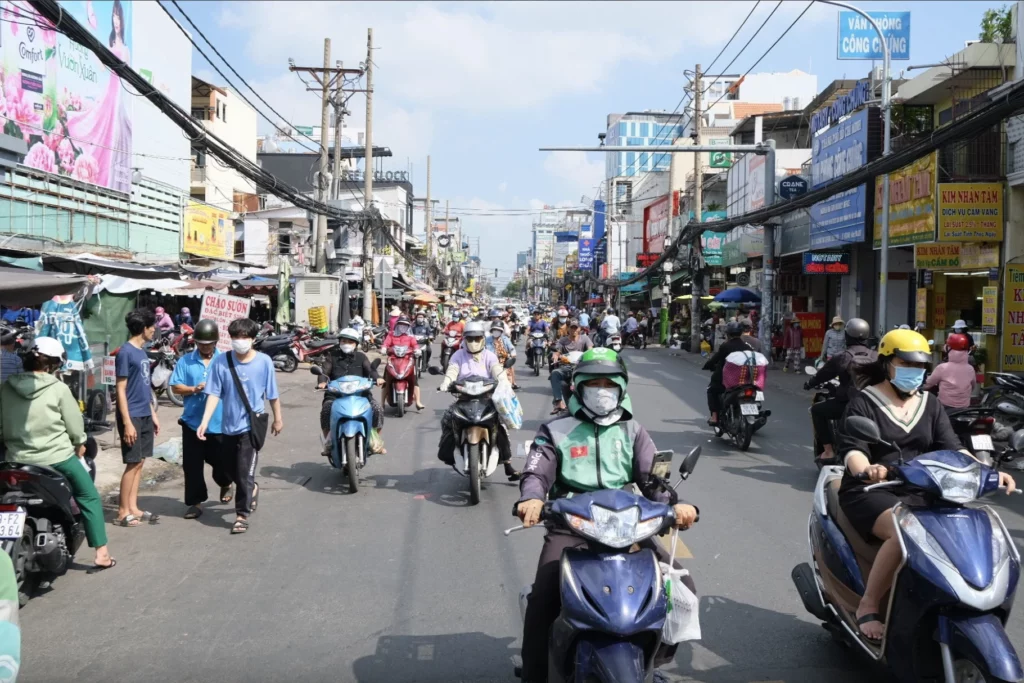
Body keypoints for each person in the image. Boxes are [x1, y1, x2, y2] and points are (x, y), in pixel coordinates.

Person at [516, 348, 699, 683]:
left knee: (679, 584)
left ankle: (652, 657)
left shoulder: (633, 431)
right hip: (572, 522)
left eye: (609, 383)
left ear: (621, 388)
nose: (602, 391)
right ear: (578, 387)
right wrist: (532, 499)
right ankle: (534, 674)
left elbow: (653, 480)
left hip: (626, 521)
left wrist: (677, 504)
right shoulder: (556, 429)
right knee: (544, 595)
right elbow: (536, 472)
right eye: (593, 383)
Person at [836, 329, 1016, 641]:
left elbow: (952, 447)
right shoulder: (864, 403)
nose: (915, 372)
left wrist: (985, 471)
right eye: (906, 364)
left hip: (921, 488)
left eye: (920, 367)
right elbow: (854, 450)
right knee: (903, 528)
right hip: (872, 491)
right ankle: (869, 604)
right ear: (887, 363)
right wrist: (867, 470)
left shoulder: (930, 404)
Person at [0, 337, 116, 571]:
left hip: (14, 459)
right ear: (54, 365)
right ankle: (102, 553)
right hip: (57, 459)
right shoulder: (59, 389)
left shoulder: (6, 387)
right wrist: (80, 442)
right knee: (89, 496)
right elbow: (75, 429)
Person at [197, 318, 283, 535]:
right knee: (228, 468)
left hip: (250, 427)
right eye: (235, 337)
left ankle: (241, 515)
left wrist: (278, 418)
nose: (239, 341)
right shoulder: (221, 362)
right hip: (228, 427)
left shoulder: (264, 362)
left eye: (244, 337)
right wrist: (205, 421)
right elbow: (214, 393)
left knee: (244, 471)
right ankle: (252, 488)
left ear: (253, 339)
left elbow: (272, 394)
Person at [169, 319, 234, 520]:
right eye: (201, 343)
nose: (205, 347)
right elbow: (175, 387)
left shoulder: (225, 360)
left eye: (209, 343)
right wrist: (194, 388)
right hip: (192, 422)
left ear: (216, 342)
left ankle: (225, 483)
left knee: (222, 464)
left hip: (219, 424)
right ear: (195, 342)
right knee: (192, 465)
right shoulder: (185, 361)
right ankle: (195, 503)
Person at [436, 321, 518, 480]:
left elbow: (497, 371)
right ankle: (448, 453)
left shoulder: (489, 355)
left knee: (501, 424)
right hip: (463, 398)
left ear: (482, 338)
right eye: (470, 338)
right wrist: (446, 383)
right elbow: (452, 371)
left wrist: (504, 382)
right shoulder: (458, 355)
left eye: (477, 338)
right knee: (447, 420)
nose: (473, 342)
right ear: (465, 339)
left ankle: (508, 462)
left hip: (486, 398)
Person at [804, 318, 875, 464]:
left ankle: (829, 451)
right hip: (874, 406)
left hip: (848, 405)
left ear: (847, 336)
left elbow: (822, 375)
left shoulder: (843, 356)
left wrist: (809, 383)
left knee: (816, 411)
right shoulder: (877, 356)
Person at [114, 308, 161, 527]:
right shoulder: (125, 352)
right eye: (152, 327)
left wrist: (153, 414)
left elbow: (143, 387)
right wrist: (126, 422)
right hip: (131, 415)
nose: (154, 331)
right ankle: (123, 512)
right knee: (132, 462)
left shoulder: (142, 352)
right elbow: (121, 389)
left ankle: (134, 507)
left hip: (144, 412)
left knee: (140, 462)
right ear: (144, 328)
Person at [318, 327, 385, 454]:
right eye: (343, 341)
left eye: (350, 342)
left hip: (361, 394)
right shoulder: (332, 356)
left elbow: (370, 370)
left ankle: (375, 440)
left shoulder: (361, 357)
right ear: (339, 342)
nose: (346, 344)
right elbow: (324, 372)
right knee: (326, 409)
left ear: (356, 344)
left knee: (377, 409)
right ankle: (328, 441)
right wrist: (322, 382)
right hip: (336, 395)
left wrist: (378, 378)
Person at [702, 321, 751, 426]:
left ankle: (714, 417)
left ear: (728, 334)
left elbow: (715, 359)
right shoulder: (747, 347)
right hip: (744, 379)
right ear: (740, 333)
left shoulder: (726, 346)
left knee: (711, 390)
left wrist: (707, 365)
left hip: (726, 379)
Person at [549, 319, 594, 414]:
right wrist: (556, 355)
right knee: (555, 373)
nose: (573, 330)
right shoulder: (563, 340)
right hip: (566, 367)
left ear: (579, 329)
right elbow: (557, 351)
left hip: (581, 367)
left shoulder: (585, 339)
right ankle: (558, 402)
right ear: (568, 329)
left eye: (575, 328)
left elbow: (590, 350)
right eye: (571, 328)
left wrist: (589, 355)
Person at [381, 316, 425, 411]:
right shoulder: (391, 335)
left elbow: (415, 345)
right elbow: (386, 343)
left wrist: (417, 350)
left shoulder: (410, 337)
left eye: (405, 325)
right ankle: (382, 403)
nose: (402, 327)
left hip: (407, 360)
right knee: (385, 380)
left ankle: (418, 401)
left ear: (408, 326)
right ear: (397, 325)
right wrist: (384, 348)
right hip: (393, 359)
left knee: (414, 380)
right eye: (401, 324)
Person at [923, 332, 976, 411]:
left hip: (945, 407)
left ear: (949, 348)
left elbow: (927, 385)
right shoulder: (970, 369)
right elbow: (973, 386)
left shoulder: (942, 368)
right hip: (965, 407)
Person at [486, 320, 518, 390]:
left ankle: (513, 383)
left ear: (501, 331)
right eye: (494, 330)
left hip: (504, 363)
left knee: (510, 368)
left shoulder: (505, 339)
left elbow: (512, 348)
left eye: (498, 330)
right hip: (490, 363)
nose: (496, 331)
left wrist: (513, 354)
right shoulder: (486, 340)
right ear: (491, 330)